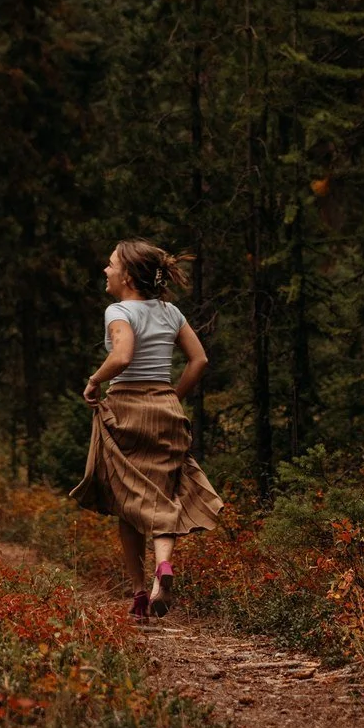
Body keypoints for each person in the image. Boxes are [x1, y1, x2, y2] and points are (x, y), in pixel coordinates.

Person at [71, 239, 222, 622]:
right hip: (165, 410)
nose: (105, 271)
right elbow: (199, 359)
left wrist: (93, 381)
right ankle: (163, 568)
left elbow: (121, 356)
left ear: (127, 275)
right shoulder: (171, 312)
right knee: (162, 496)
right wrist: (172, 396)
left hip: (126, 411)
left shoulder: (118, 311)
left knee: (129, 503)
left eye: (110, 265)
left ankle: (140, 592)